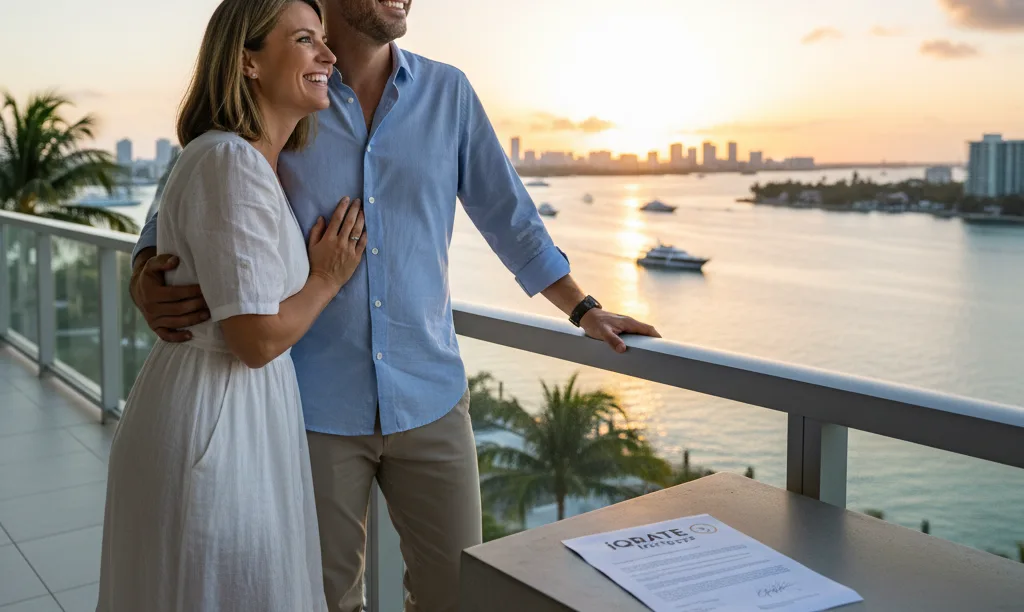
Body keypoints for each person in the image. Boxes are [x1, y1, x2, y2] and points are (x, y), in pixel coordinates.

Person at [130, 0, 662, 610]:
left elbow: (510, 216)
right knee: (322, 598)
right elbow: (192, 187)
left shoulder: (448, 92)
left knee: (455, 595)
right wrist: (146, 269)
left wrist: (582, 308)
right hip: (311, 405)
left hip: (430, 395)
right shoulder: (290, 89)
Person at [97, 0, 357, 610]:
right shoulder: (229, 161)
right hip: (218, 421)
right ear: (248, 61)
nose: (328, 54)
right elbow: (255, 340)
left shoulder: (244, 161)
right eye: (305, 40)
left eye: (324, 39)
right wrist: (327, 277)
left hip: (233, 413)